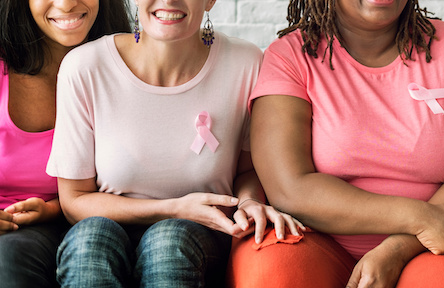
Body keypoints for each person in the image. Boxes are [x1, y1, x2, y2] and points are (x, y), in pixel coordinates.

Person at [227, 0, 444, 287]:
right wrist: (418, 218)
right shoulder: (290, 56)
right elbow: (289, 187)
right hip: (313, 238)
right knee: (271, 274)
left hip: (425, 246)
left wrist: (398, 248)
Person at [45, 0, 303, 287]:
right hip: (106, 228)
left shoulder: (246, 63)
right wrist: (174, 207)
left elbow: (247, 170)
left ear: (210, 1)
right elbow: (74, 201)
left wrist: (249, 201)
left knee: (167, 242)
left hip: (200, 237)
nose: (168, 1)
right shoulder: (84, 67)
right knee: (89, 238)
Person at [0, 0, 130, 287]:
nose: (66, 3)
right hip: (14, 229)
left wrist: (54, 208)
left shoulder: (130, 66)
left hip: (101, 222)